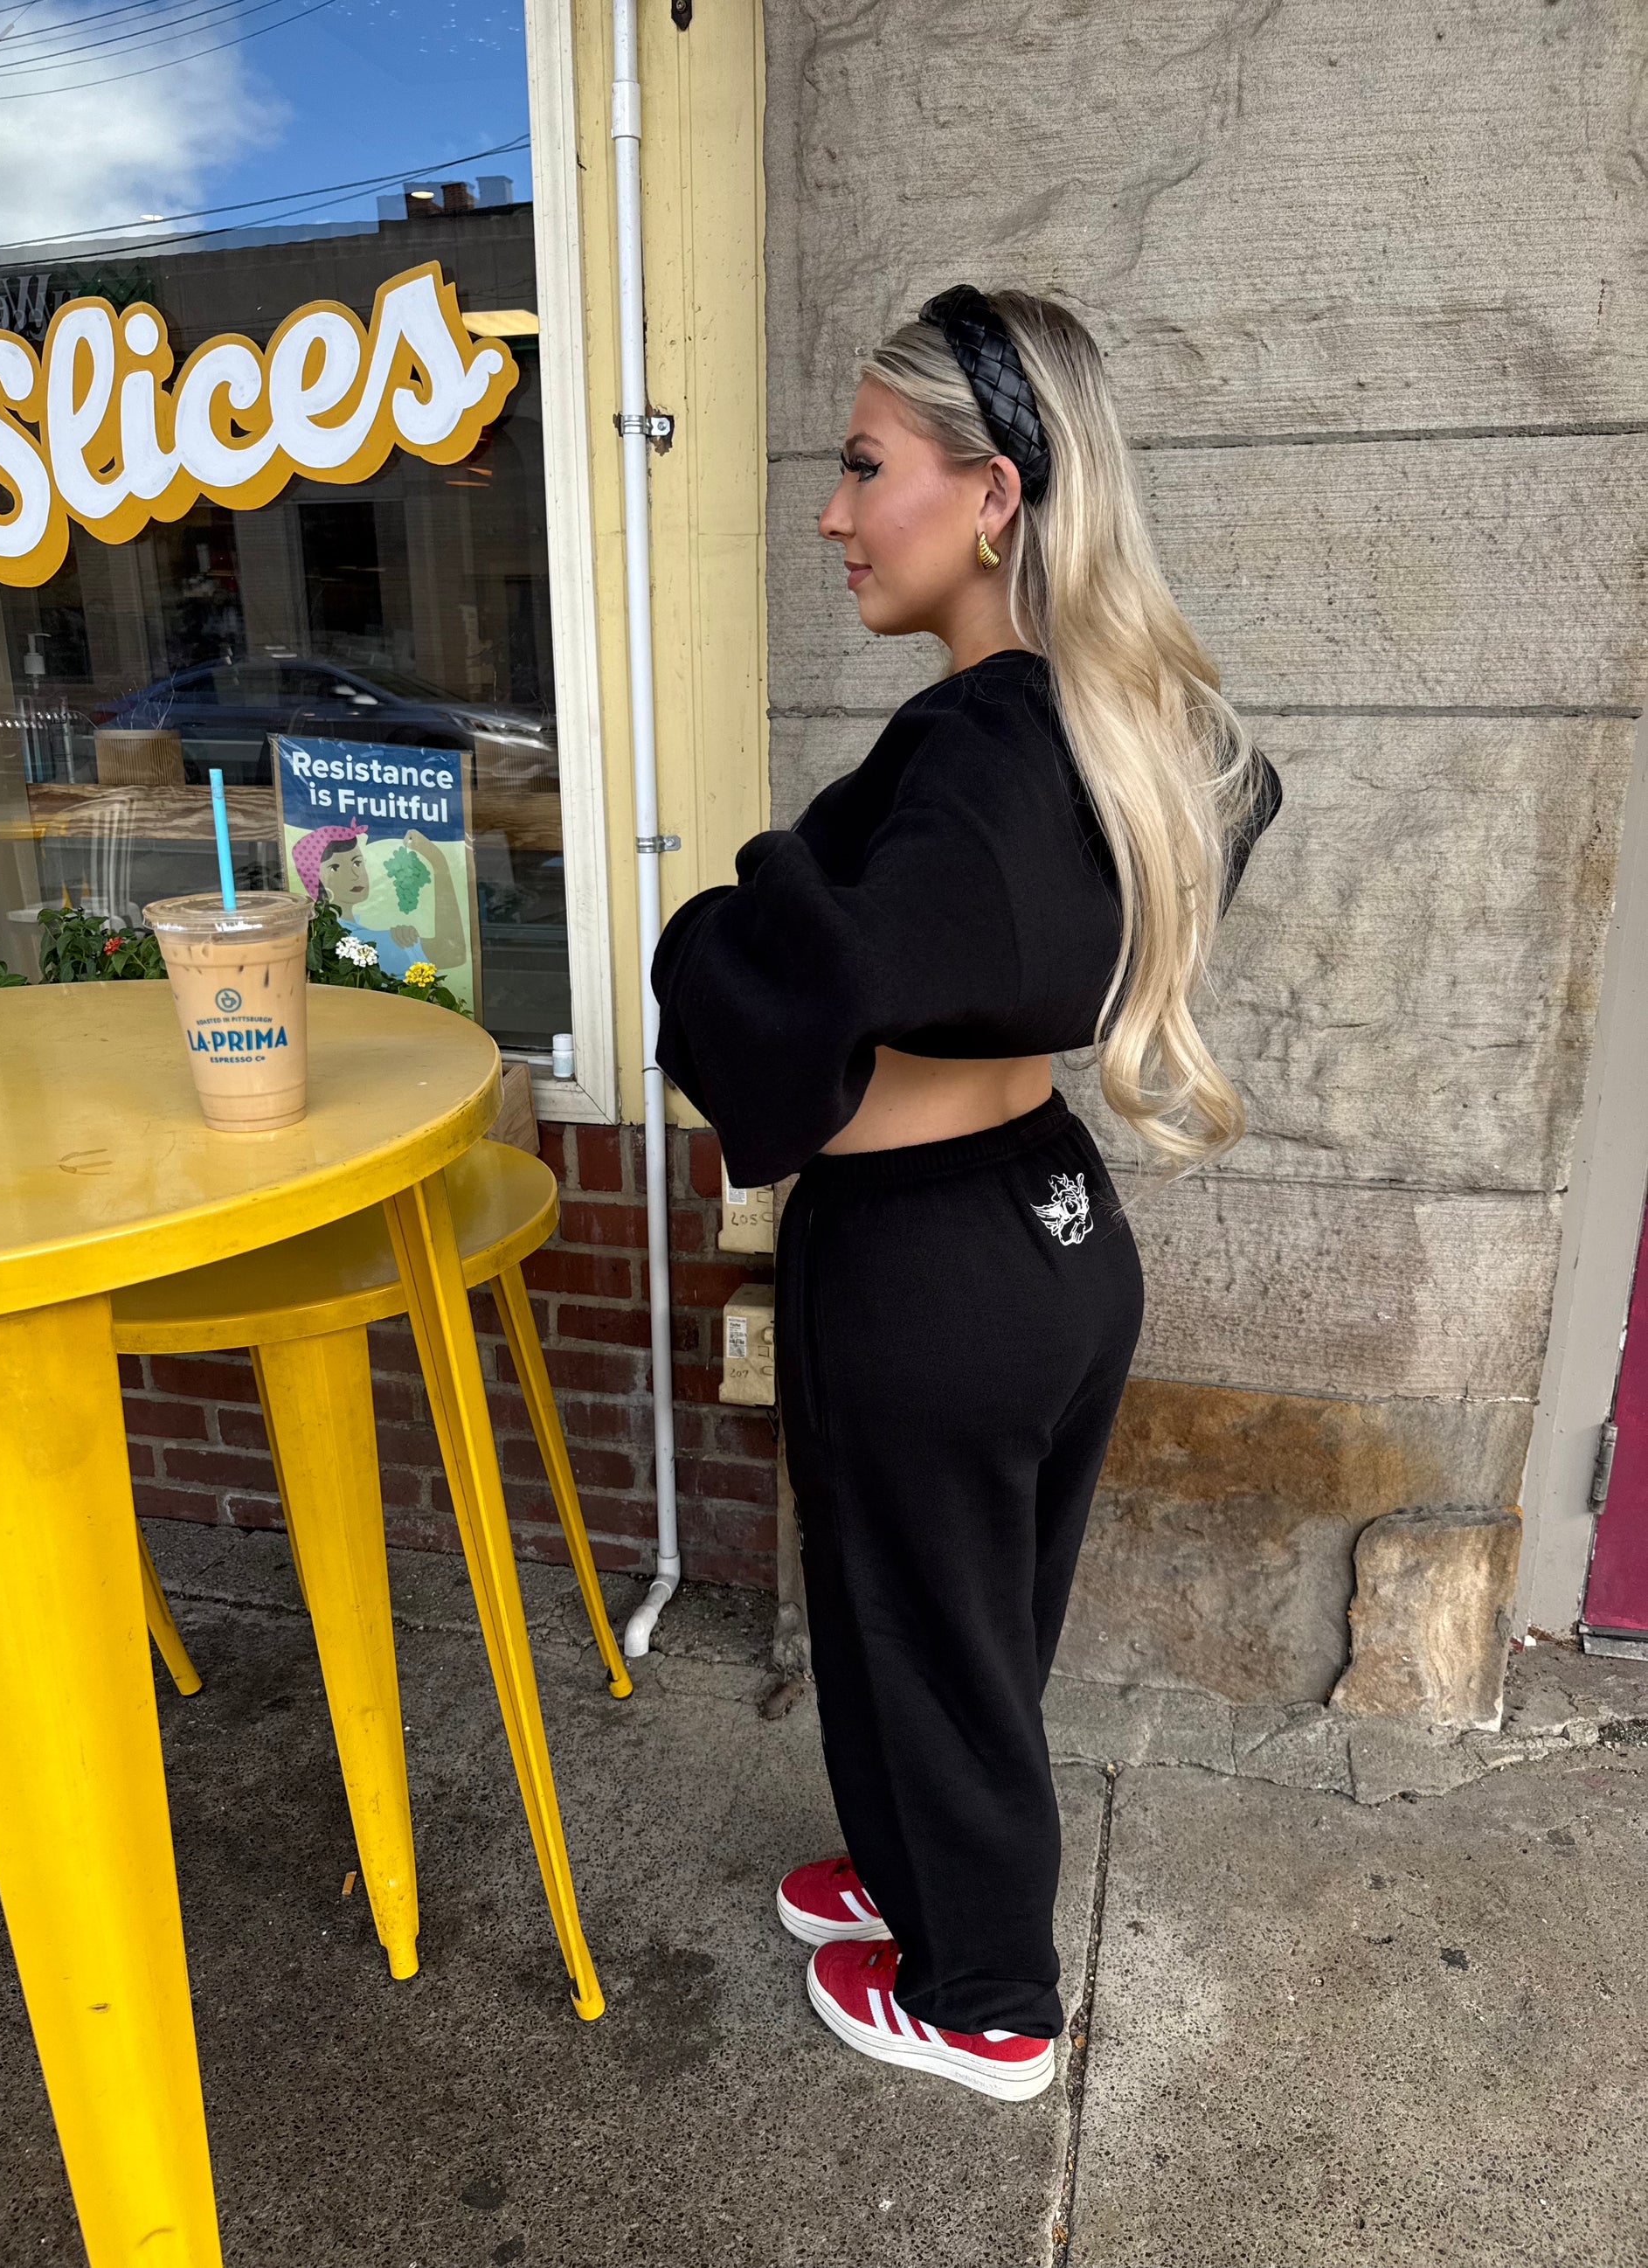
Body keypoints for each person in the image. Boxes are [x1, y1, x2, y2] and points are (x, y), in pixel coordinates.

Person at [650, 286, 1281, 2103]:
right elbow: (1176, 838)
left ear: (992, 493)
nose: (833, 513)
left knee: (925, 1628)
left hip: (931, 1264)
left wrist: (718, 930)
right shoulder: (1108, 719)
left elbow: (830, 967)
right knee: (958, 1617)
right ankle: (920, 1876)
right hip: (1049, 1232)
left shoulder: (988, 742)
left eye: (866, 467)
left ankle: (988, 1999)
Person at [292, 822, 467, 981]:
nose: (354, 875)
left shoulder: (334, 931)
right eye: (335, 868)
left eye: (357, 863)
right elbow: (452, 951)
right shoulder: (367, 943)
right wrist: (438, 861)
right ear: (317, 881)